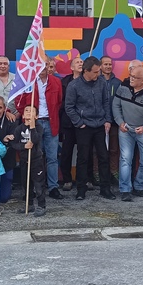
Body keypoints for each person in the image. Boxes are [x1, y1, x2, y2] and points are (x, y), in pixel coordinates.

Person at [64, 56, 115, 201]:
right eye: (95, 72)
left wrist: (107, 120)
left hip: (100, 125)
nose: (98, 74)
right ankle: (81, 189)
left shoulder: (102, 82)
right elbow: (69, 107)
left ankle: (105, 189)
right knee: (83, 158)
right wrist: (79, 123)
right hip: (83, 127)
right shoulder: (74, 86)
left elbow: (106, 102)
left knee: (103, 157)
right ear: (86, 71)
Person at [14, 57, 64, 200]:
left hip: (50, 122)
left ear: (49, 66)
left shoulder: (56, 82)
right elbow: (19, 102)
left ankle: (53, 187)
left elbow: (59, 102)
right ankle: (34, 188)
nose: (43, 68)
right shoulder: (28, 82)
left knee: (52, 157)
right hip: (33, 124)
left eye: (45, 65)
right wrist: (28, 116)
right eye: (40, 65)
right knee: (33, 157)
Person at [112, 64, 143, 202]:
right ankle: (125, 189)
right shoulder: (123, 87)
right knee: (125, 159)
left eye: (135, 77)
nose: (131, 79)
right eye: (131, 76)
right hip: (125, 129)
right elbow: (116, 105)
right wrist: (120, 122)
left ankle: (139, 186)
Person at [10, 105, 47, 217]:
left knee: (38, 184)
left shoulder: (39, 127)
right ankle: (29, 204)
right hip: (24, 160)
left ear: (36, 116)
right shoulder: (19, 129)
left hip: (36, 160)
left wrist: (32, 127)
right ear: (22, 115)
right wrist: (23, 146)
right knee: (26, 183)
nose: (28, 112)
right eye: (26, 110)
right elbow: (14, 143)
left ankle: (41, 205)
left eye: (31, 111)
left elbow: (35, 139)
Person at [59, 56, 83, 190]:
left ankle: (83, 180)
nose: (80, 64)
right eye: (77, 62)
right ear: (72, 67)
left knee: (84, 153)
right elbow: (60, 101)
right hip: (68, 122)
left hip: (84, 122)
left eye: (82, 62)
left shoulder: (88, 81)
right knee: (66, 152)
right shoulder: (64, 82)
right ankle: (67, 179)